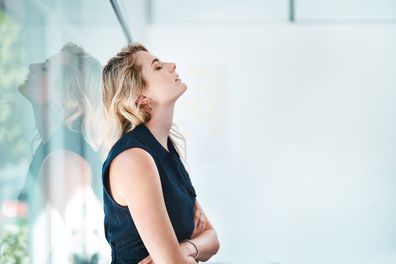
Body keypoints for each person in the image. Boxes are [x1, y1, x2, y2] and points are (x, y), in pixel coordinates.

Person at [101, 43, 220, 263]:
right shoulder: (134, 159)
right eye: (157, 67)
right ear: (141, 96)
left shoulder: (166, 149)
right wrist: (188, 252)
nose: (172, 65)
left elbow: (212, 239)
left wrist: (185, 249)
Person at [18, 42, 109, 263]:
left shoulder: (64, 159)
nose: (32, 66)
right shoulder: (60, 148)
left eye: (46, 68)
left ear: (69, 96)